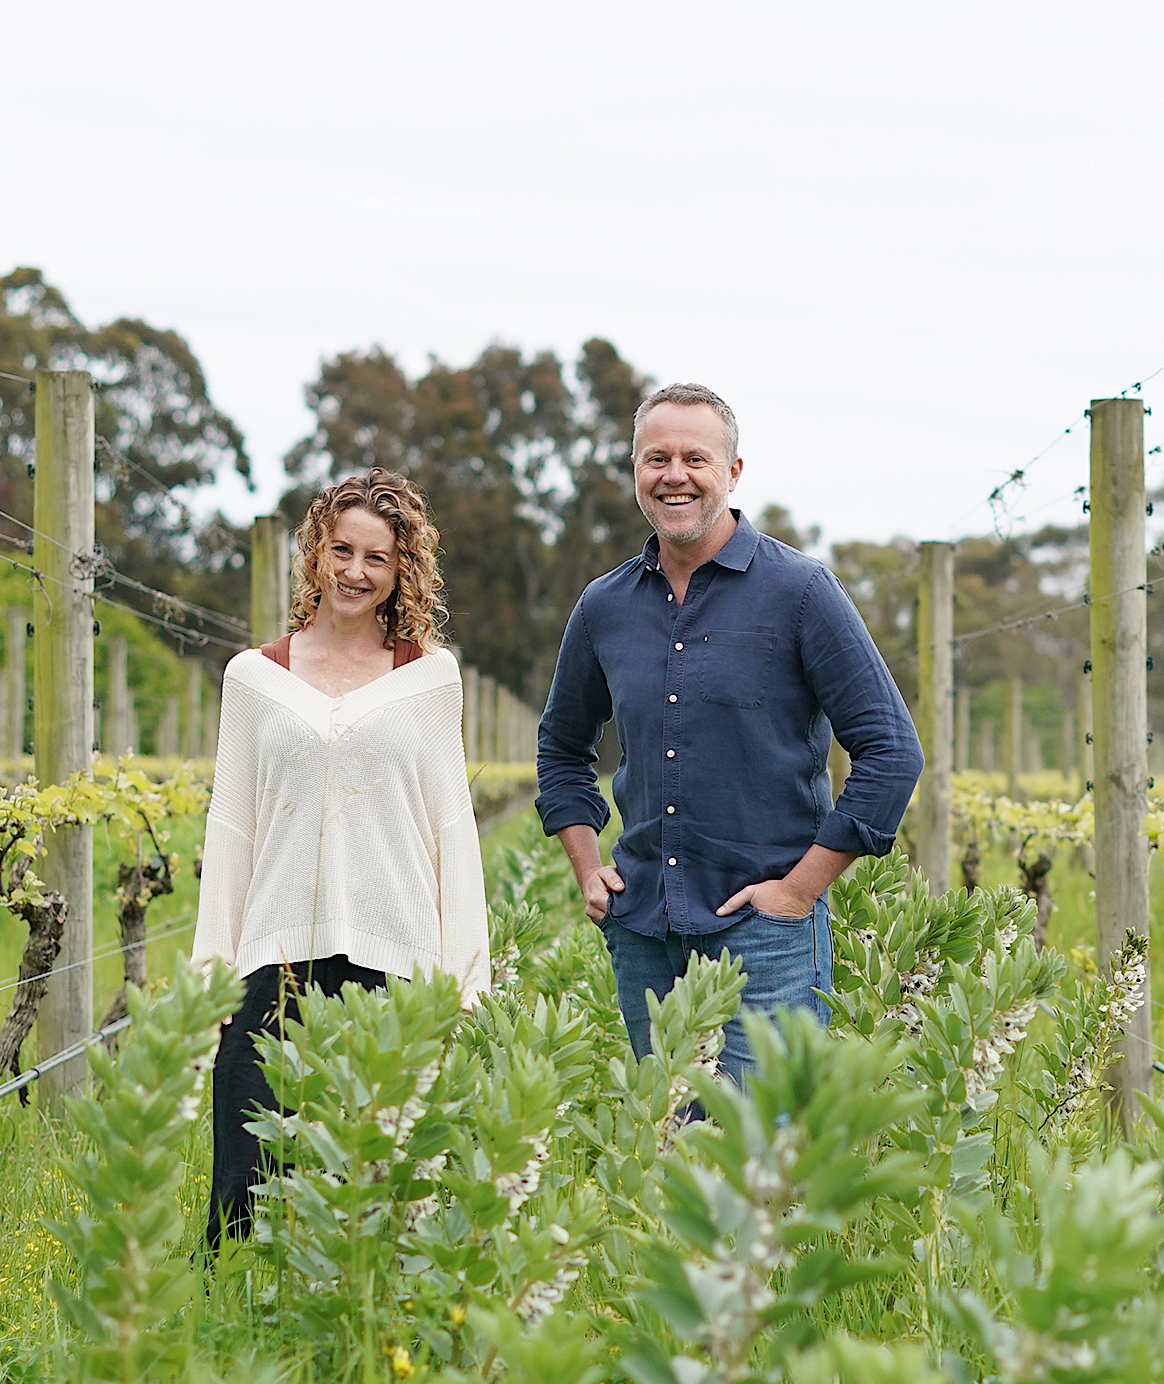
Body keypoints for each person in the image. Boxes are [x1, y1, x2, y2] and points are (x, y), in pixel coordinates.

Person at [534, 382, 920, 1077]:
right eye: (656, 459)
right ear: (634, 470)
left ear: (732, 472)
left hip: (766, 935)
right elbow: (562, 746)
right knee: (671, 1154)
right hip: (644, 932)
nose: (674, 475)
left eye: (695, 458)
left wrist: (799, 891)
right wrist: (588, 868)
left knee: (762, 1160)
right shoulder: (604, 607)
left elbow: (891, 752)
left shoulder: (801, 592)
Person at [192, 468, 489, 1245]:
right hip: (277, 962)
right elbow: (232, 832)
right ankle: (231, 1332)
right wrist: (209, 984)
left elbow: (450, 833)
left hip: (395, 966)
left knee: (378, 1190)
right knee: (245, 1186)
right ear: (315, 555)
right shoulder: (254, 679)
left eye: (378, 558)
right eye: (342, 550)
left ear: (402, 572)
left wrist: (464, 986)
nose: (355, 571)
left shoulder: (430, 680)